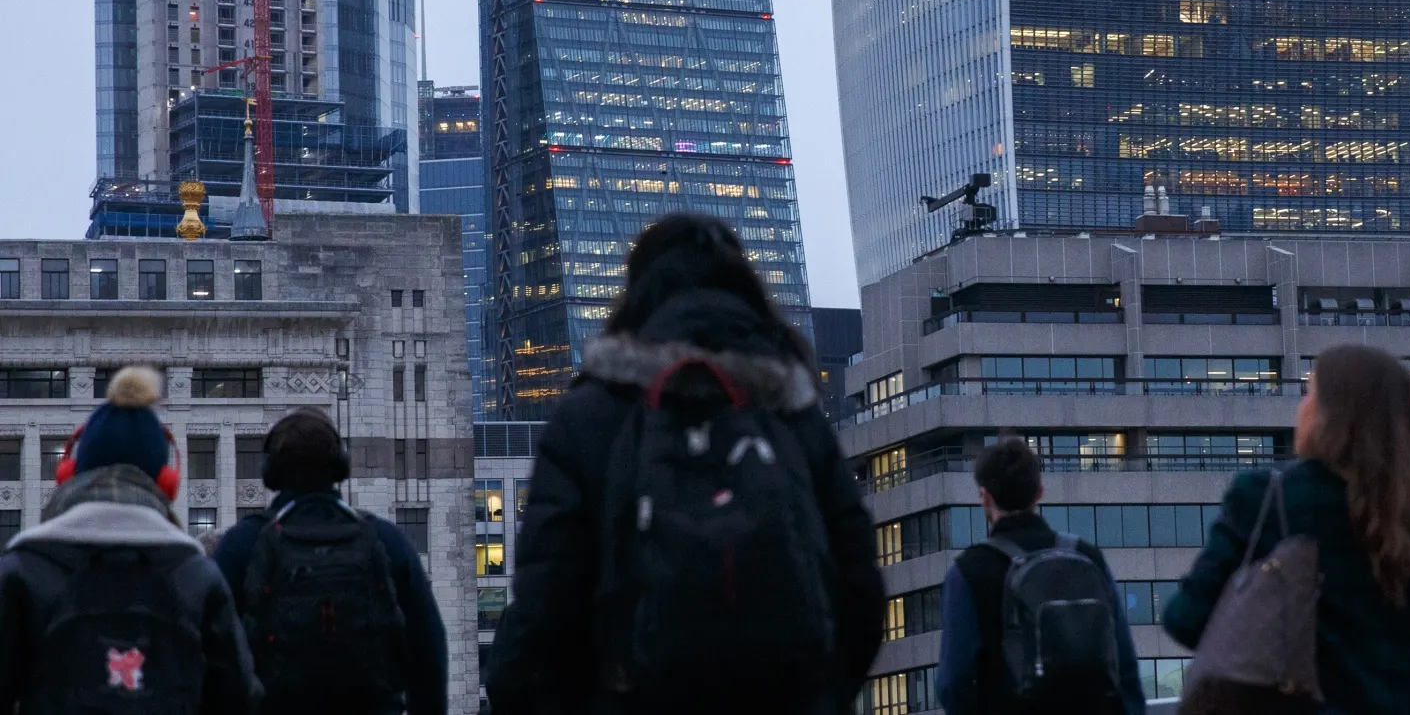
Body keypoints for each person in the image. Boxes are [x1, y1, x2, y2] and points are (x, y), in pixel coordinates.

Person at [485, 213, 884, 715]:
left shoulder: (589, 415)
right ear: (745, 291)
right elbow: (861, 590)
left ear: (637, 295)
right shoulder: (792, 411)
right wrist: (818, 695)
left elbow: (545, 604)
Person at [1164, 346, 1410, 715]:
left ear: (1328, 415)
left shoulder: (1264, 501)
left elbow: (1185, 620)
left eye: (1310, 393)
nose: (1301, 406)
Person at [0, 366, 259, 715]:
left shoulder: (22, 571)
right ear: (166, 482)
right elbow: (240, 695)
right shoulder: (198, 576)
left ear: (70, 474)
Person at [211, 407, 448, 715]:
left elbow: (211, 653)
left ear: (270, 472)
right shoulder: (387, 540)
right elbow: (429, 649)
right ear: (340, 467)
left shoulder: (241, 544)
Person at [936, 436, 1145, 715]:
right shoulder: (1087, 556)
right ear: (1039, 492)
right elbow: (1125, 663)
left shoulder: (968, 571)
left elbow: (954, 681)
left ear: (984, 497)